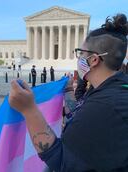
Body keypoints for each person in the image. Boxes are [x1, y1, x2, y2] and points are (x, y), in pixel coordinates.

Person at [9, 14, 128, 171]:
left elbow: (61, 161)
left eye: (80, 53)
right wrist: (69, 90)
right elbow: (83, 111)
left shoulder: (105, 106)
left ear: (93, 60)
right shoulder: (113, 89)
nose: (78, 58)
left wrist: (29, 110)